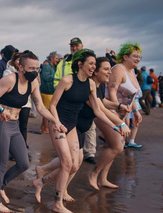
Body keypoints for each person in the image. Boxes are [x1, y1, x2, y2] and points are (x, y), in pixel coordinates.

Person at [33, 57, 130, 202]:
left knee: (72, 164)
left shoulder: (95, 86)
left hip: (80, 127)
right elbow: (100, 108)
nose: (109, 72)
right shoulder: (76, 82)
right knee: (70, 164)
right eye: (105, 69)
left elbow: (101, 105)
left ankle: (44, 174)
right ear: (92, 70)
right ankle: (58, 193)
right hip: (70, 125)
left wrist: (117, 115)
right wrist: (120, 124)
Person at [0, 50, 65, 213]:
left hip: (14, 126)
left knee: (23, 163)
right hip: (1, 124)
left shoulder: (34, 82)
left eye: (37, 68)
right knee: (1, 164)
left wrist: (56, 121)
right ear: (20, 67)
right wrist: (0, 109)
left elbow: (41, 107)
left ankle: (1, 186)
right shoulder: (9, 79)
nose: (35, 71)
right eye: (31, 68)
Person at [88, 42, 143, 190]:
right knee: (118, 146)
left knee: (114, 146)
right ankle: (94, 174)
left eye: (139, 56)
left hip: (121, 112)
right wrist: (116, 114)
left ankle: (103, 178)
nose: (138, 59)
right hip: (109, 112)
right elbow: (112, 92)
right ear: (125, 56)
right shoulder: (118, 69)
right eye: (135, 56)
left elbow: (132, 96)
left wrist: (135, 111)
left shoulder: (132, 72)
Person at [39, 51, 60, 134]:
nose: (57, 60)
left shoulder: (52, 66)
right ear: (51, 58)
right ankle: (45, 128)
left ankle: (42, 127)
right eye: (56, 58)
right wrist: (57, 76)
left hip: (50, 91)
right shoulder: (47, 66)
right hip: (47, 91)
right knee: (47, 111)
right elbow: (45, 77)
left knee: (48, 110)